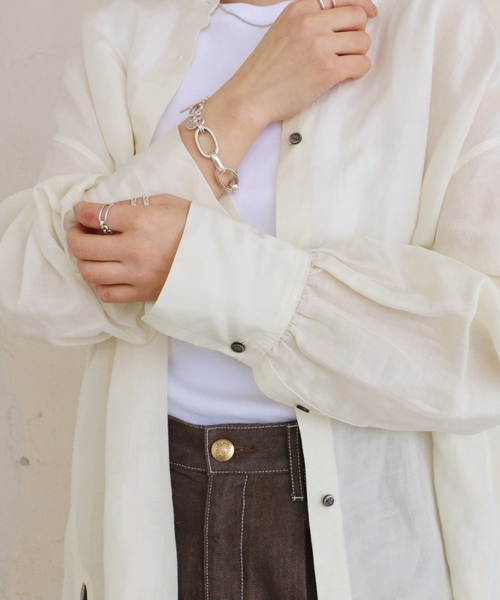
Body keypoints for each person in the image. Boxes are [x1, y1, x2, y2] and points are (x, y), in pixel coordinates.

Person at [1, 0, 500, 598]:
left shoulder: (454, 29)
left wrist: (200, 267)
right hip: (158, 507)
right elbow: (33, 284)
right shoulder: (124, 32)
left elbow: (484, 352)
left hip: (375, 530)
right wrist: (243, 103)